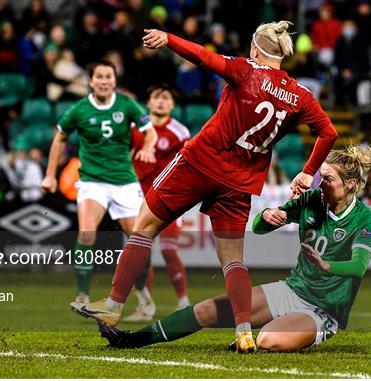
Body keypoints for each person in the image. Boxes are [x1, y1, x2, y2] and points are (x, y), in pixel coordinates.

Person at [71, 21, 338, 354]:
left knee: (144, 227)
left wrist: (168, 39)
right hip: (240, 183)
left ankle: (113, 304)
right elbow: (329, 133)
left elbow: (203, 57)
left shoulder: (245, 70)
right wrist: (306, 172)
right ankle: (244, 331)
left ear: (255, 49)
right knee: (233, 261)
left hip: (200, 164)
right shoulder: (301, 95)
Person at [98, 145, 371, 353]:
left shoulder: (363, 218)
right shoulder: (311, 199)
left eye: (328, 179)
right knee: (208, 310)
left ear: (351, 184)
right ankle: (133, 340)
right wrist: (269, 215)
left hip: (323, 309)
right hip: (292, 289)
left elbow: (358, 267)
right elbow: (258, 227)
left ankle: (290, 332)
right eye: (321, 176)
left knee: (268, 340)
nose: (320, 183)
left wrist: (325, 265)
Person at [41, 60, 157, 303]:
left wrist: (148, 146)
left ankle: (142, 289)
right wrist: (50, 175)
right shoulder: (79, 109)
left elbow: (150, 131)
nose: (104, 81)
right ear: (91, 81)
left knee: (140, 239)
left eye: (108, 77)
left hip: (124, 181)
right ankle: (82, 294)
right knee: (86, 234)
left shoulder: (127, 105)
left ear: (114, 81)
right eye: (99, 77)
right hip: (92, 181)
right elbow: (58, 139)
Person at [125, 84, 191, 322]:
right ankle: (145, 306)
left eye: (166, 98)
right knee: (140, 253)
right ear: (149, 103)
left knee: (168, 249)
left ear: (172, 105)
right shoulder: (135, 129)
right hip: (137, 199)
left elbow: (186, 166)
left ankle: (183, 304)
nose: (161, 102)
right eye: (156, 97)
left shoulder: (180, 132)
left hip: (168, 200)